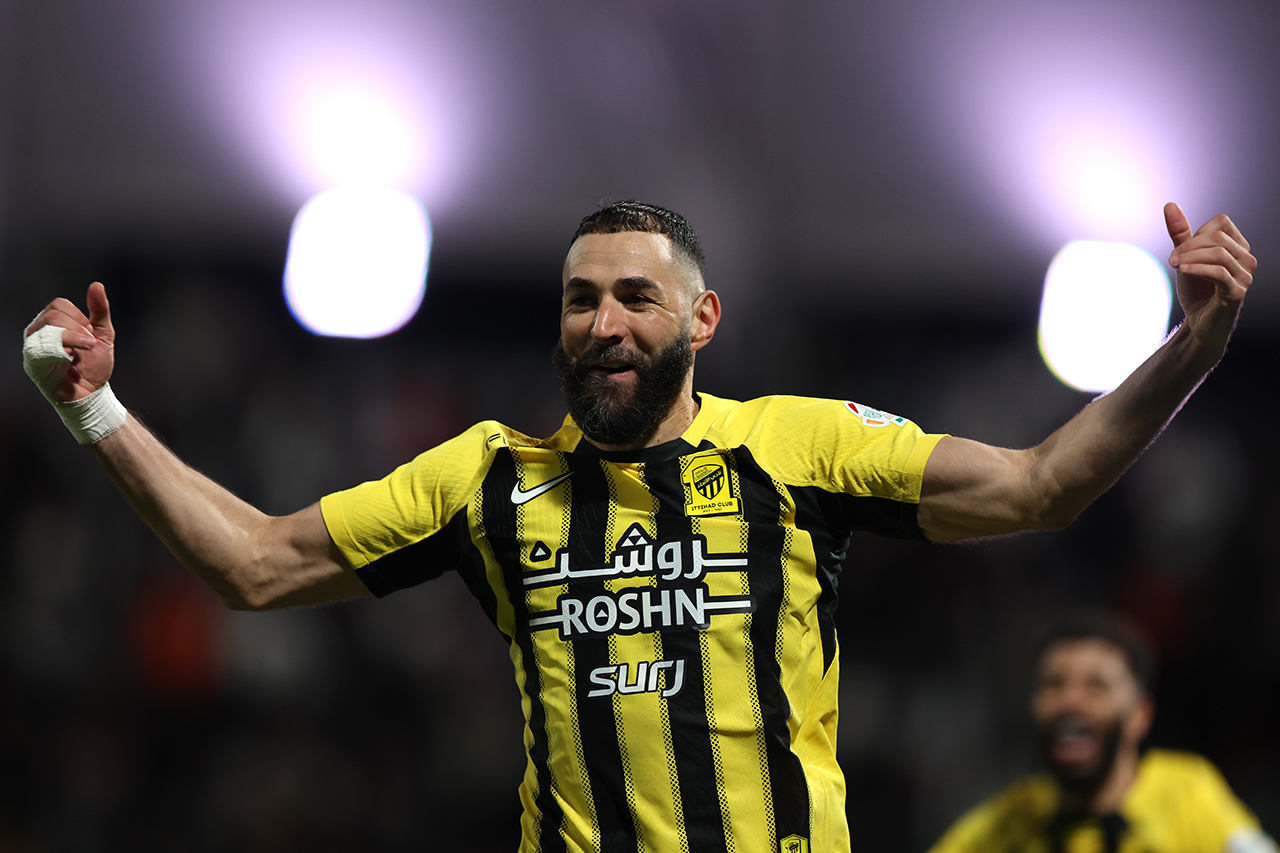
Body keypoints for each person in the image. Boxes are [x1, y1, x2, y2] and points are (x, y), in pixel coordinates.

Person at [21, 200, 1257, 853]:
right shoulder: (485, 479)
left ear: (700, 319)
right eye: (578, 299)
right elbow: (252, 564)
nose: (603, 323)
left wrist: (1191, 348)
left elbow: (1042, 483)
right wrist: (95, 412)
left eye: (633, 296)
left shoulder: (796, 445)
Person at [927, 610, 1277, 853]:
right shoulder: (1011, 820)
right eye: (1053, 684)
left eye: (1096, 686)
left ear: (1140, 716)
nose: (1070, 702)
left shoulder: (1186, 794)